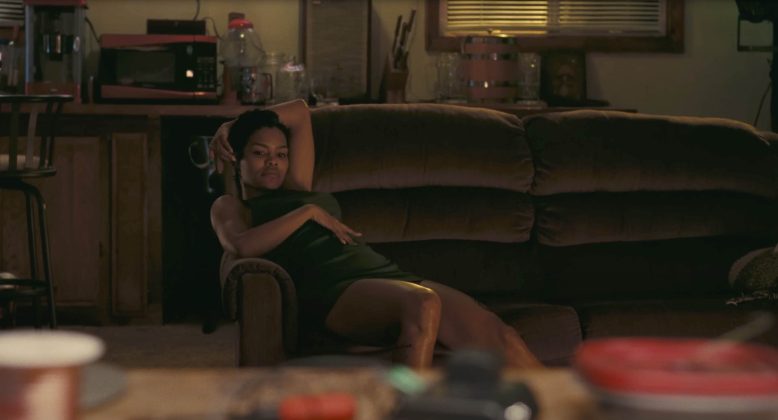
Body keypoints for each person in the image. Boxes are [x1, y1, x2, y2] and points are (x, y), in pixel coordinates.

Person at [209, 100, 542, 369]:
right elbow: (241, 245)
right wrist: (308, 212)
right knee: (423, 303)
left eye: (281, 154)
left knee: (502, 336)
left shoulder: (298, 184)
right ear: (237, 159)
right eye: (259, 153)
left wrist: (232, 127)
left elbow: (298, 111)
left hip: (383, 275)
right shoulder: (233, 206)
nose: (273, 162)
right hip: (333, 289)